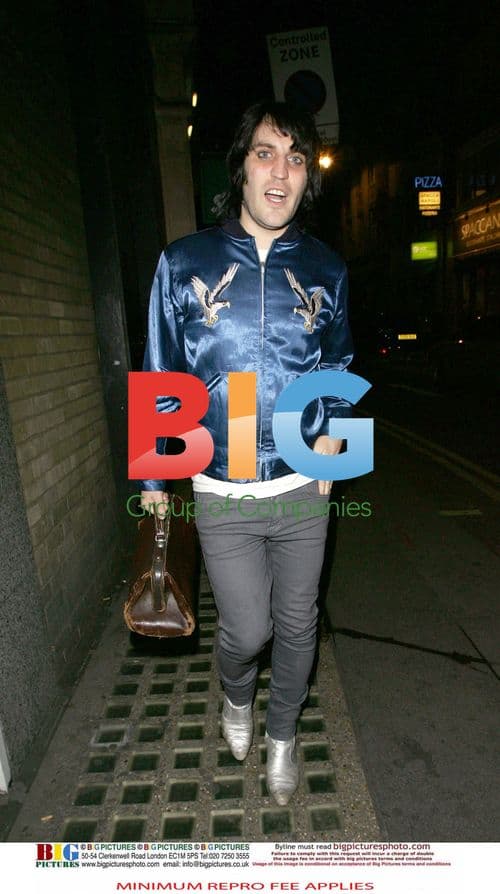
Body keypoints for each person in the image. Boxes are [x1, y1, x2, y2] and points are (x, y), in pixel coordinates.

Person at [139, 100, 353, 805]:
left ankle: (283, 737)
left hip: (301, 480)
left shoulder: (327, 268)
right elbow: (162, 370)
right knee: (248, 630)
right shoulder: (184, 262)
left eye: (296, 159)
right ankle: (236, 698)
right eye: (267, 152)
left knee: (299, 626)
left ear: (304, 179)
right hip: (221, 477)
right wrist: (153, 473)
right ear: (242, 166)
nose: (280, 171)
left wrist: (330, 450)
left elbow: (341, 366)